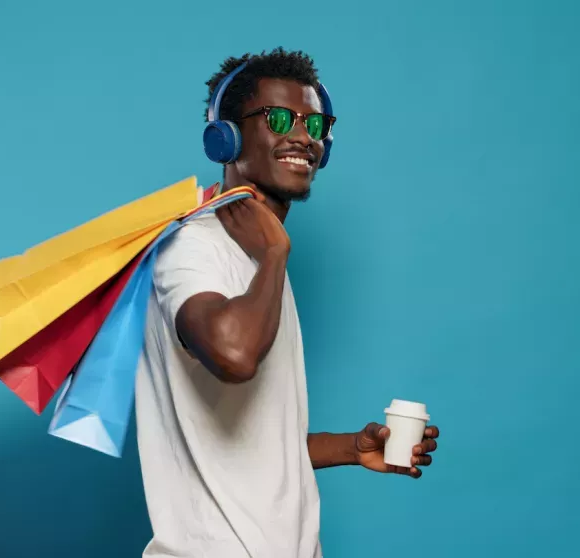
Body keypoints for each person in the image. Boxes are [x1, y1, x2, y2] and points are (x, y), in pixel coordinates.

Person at [134, 47, 440, 557]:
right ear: (224, 137)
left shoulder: (260, 258)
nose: (303, 137)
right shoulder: (192, 248)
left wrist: (353, 448)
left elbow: (251, 446)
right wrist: (275, 252)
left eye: (315, 124)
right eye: (279, 119)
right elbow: (235, 356)